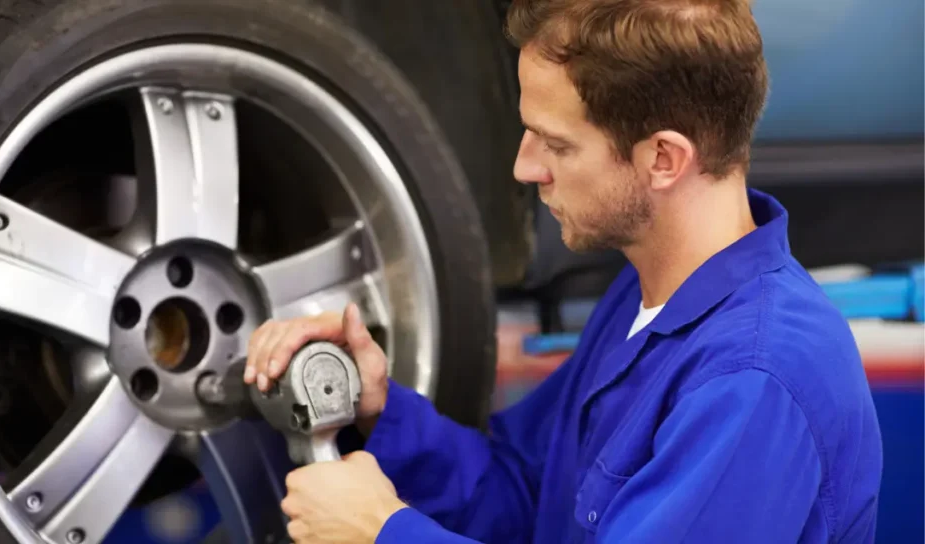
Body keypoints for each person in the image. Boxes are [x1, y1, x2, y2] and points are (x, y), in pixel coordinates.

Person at [243, 0, 884, 542]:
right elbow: (526, 493)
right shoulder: (648, 296)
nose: (525, 168)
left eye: (555, 143)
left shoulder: (753, 381)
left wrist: (385, 531)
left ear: (664, 158)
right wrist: (378, 410)